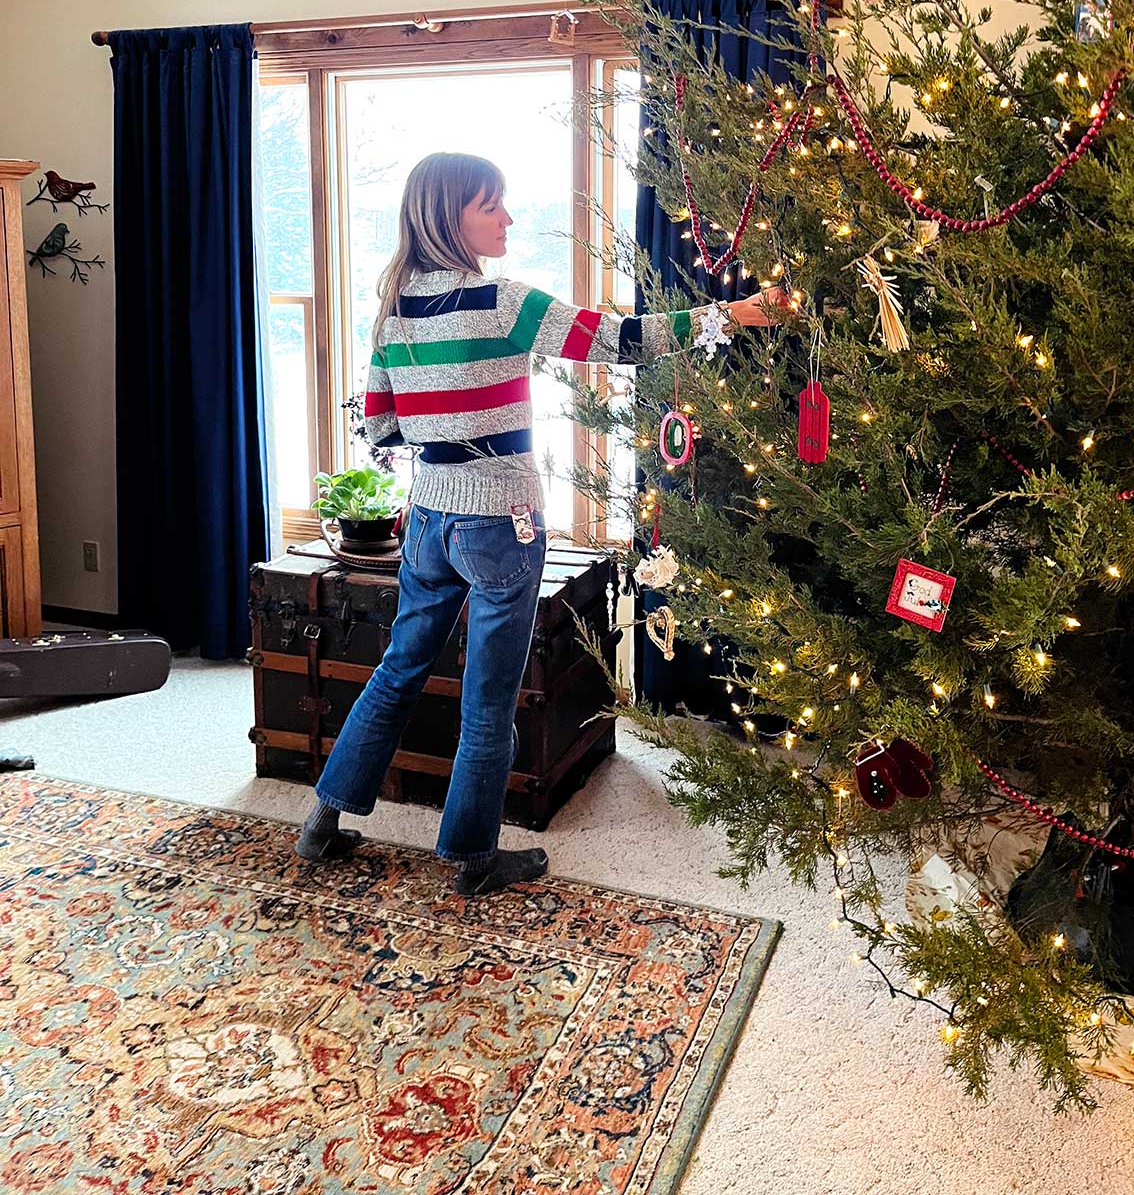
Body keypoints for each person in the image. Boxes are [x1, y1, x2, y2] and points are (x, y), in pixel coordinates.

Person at [296, 150, 782, 894]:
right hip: (501, 524)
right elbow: (617, 339)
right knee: (488, 699)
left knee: (398, 671)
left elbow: (383, 428)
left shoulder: (393, 308)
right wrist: (732, 314)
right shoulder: (501, 302)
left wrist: (442, 444)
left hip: (428, 521)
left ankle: (322, 823)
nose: (508, 219)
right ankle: (471, 858)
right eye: (493, 206)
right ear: (449, 216)